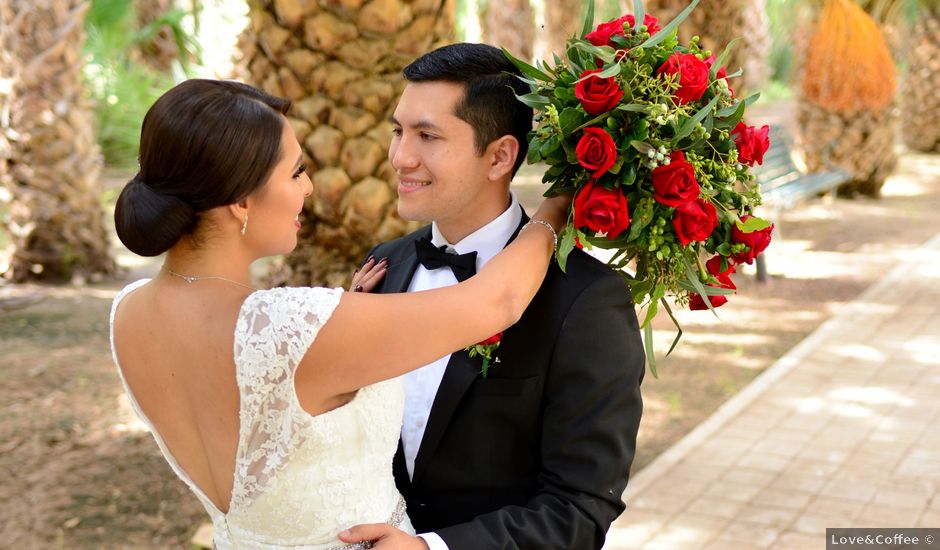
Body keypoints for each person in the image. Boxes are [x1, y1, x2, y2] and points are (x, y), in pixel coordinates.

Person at [109, 78, 570, 550]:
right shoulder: (294, 327)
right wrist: (559, 203)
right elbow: (498, 301)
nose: (308, 186)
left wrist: (344, 315)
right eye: (295, 172)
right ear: (241, 202)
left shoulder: (129, 313)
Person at [341, 43, 645, 550]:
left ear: (500, 155)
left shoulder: (585, 299)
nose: (400, 157)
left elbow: (581, 506)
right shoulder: (385, 265)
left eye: (427, 136)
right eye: (398, 130)